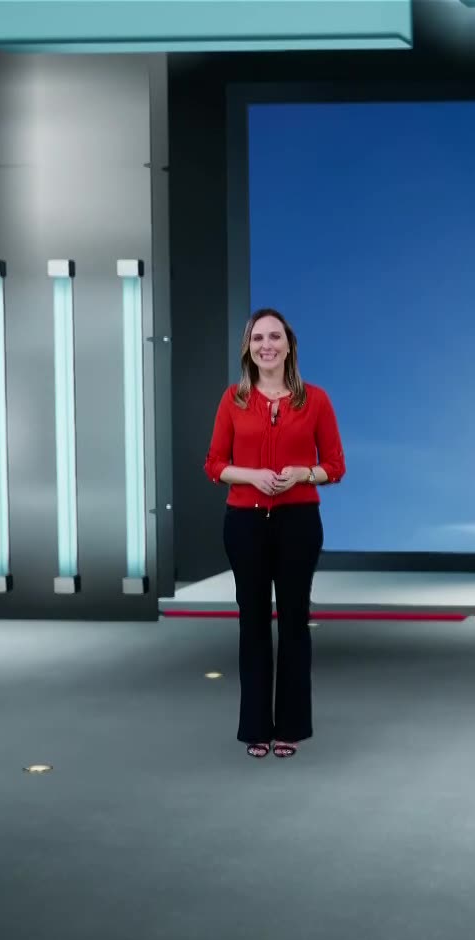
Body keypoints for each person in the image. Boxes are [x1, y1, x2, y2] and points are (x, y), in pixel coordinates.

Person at [204, 308, 346, 759]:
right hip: (244, 524)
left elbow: (335, 466)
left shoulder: (315, 401)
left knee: (294, 622)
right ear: (248, 348)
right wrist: (253, 476)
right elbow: (214, 465)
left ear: (289, 347)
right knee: (252, 623)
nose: (267, 345)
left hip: (298, 522)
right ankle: (255, 728)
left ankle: (291, 727)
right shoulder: (233, 400)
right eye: (258, 338)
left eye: (275, 337)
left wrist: (303, 473)